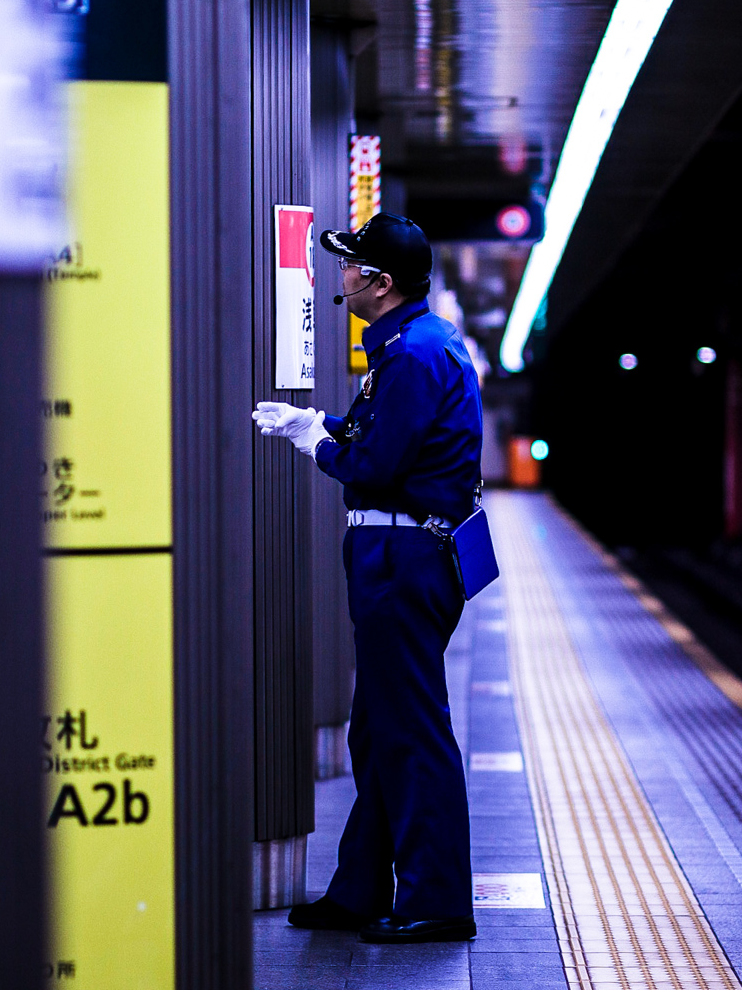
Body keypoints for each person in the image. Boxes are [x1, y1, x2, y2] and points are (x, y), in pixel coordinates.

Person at [252, 212, 482, 944]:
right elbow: (381, 438)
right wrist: (324, 423)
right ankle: (359, 889)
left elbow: (378, 468)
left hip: (403, 558)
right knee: (380, 729)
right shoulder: (409, 346)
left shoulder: (413, 356)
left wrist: (317, 443)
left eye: (350, 266)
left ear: (378, 284)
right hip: (403, 556)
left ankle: (438, 900)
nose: (340, 276)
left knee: (410, 729)